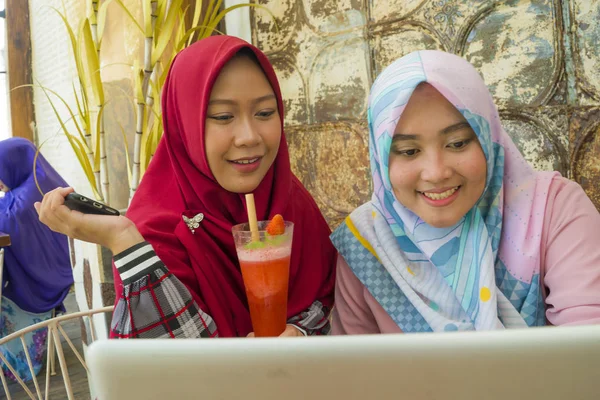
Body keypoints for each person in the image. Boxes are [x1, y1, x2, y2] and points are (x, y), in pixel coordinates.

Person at [36, 36, 337, 339]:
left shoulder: (289, 201)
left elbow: (325, 299)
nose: (249, 136)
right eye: (223, 116)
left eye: (264, 113)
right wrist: (124, 240)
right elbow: (179, 369)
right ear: (185, 124)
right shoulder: (153, 230)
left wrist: (300, 331)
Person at [331, 50, 600, 334]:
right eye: (409, 151)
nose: (436, 173)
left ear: (488, 137)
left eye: (458, 144)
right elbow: (354, 371)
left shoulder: (554, 209)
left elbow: (588, 347)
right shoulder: (368, 241)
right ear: (381, 158)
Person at [0, 137, 73, 381]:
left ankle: (17, 366)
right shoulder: (40, 181)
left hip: (40, 281)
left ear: (12, 164)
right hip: (51, 272)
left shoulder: (29, 196)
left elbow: (9, 221)